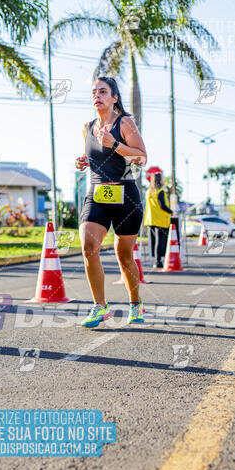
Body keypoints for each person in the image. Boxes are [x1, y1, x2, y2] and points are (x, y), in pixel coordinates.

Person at [76, 76, 147, 327]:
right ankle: (100, 307)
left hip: (126, 195)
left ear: (114, 97)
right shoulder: (88, 126)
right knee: (88, 247)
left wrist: (115, 144)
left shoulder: (125, 123)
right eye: (94, 91)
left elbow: (141, 157)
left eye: (103, 91)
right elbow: (94, 156)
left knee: (124, 255)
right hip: (97, 194)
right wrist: (82, 161)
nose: (97, 95)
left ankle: (135, 304)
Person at [144, 172, 173, 268]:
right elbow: (163, 206)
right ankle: (158, 261)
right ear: (159, 180)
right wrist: (171, 212)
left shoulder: (149, 192)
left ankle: (156, 260)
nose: (163, 180)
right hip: (160, 220)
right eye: (162, 179)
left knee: (155, 241)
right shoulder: (160, 191)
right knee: (160, 241)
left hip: (150, 220)